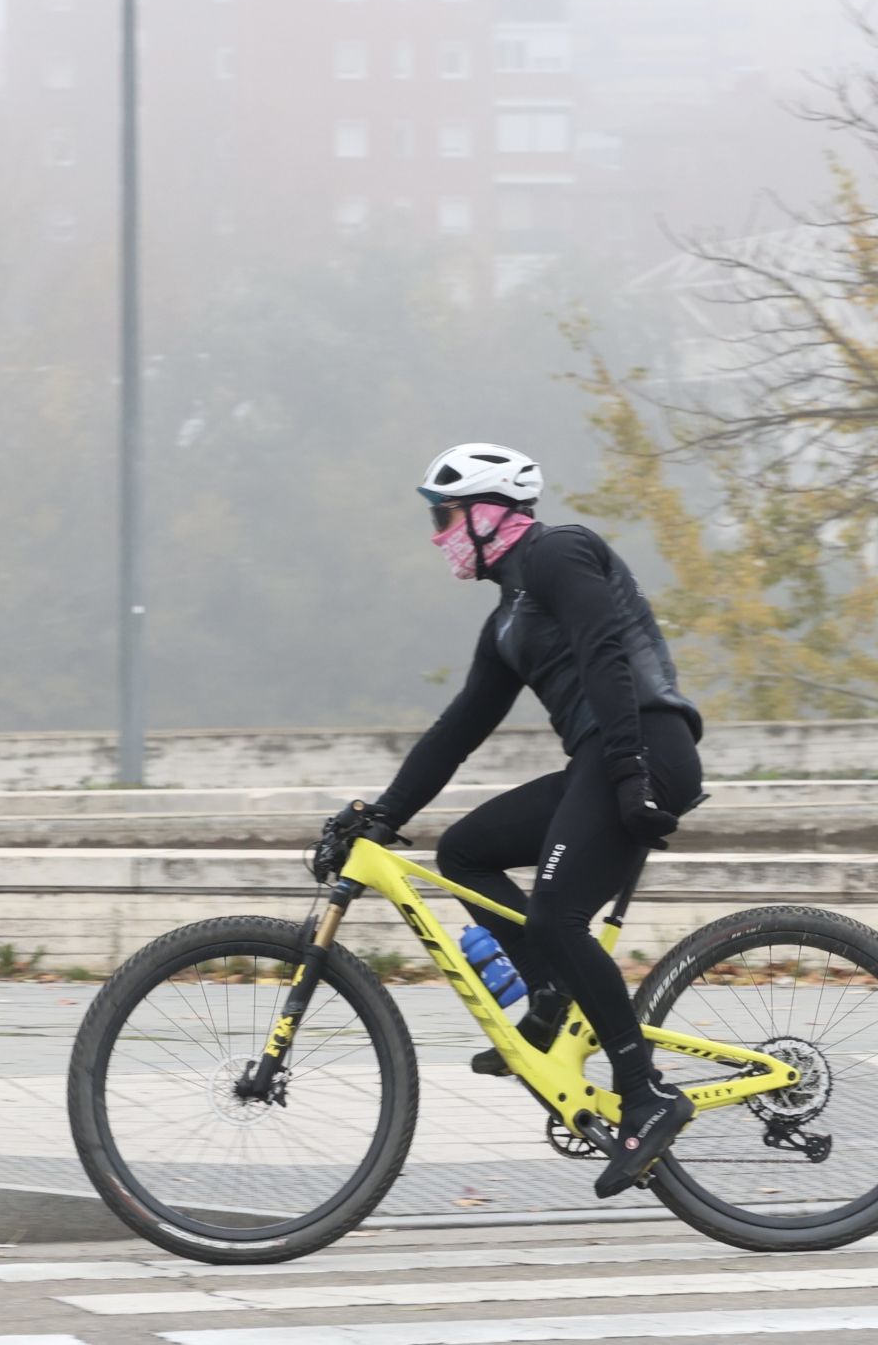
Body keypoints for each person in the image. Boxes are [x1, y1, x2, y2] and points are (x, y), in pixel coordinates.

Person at [348, 441, 705, 1199]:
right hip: (602, 761)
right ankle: (549, 991)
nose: (438, 535)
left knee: (554, 912)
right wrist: (380, 815)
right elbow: (457, 730)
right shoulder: (506, 620)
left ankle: (644, 1093)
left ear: (487, 512)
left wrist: (630, 775)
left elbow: (606, 655)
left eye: (444, 516)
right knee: (464, 852)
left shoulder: (558, 553)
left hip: (645, 749)